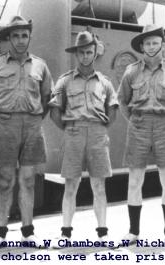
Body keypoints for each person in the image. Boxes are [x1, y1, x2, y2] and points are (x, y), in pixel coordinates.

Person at [0, 16, 53, 249]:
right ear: (8, 38)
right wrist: (4, 119)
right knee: (5, 180)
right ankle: (0, 233)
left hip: (32, 126)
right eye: (16, 36)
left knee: (28, 180)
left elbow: (46, 98)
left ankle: (27, 232)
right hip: (5, 125)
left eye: (24, 35)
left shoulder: (40, 65)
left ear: (29, 37)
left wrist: (31, 118)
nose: (21, 40)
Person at [117, 25, 165, 245]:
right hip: (138, 125)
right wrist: (137, 121)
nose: (151, 46)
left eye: (155, 42)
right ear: (142, 46)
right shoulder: (131, 71)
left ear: (162, 45)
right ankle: (133, 231)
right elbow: (122, 101)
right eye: (147, 43)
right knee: (135, 180)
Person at [49, 31, 118, 245]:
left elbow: (112, 110)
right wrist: (72, 128)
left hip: (97, 134)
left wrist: (98, 128)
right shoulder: (65, 81)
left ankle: (102, 233)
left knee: (99, 186)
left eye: (89, 52)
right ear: (76, 54)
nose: (86, 56)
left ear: (95, 53)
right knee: (71, 185)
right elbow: (54, 111)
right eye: (82, 52)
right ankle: (66, 233)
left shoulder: (104, 83)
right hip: (74, 134)